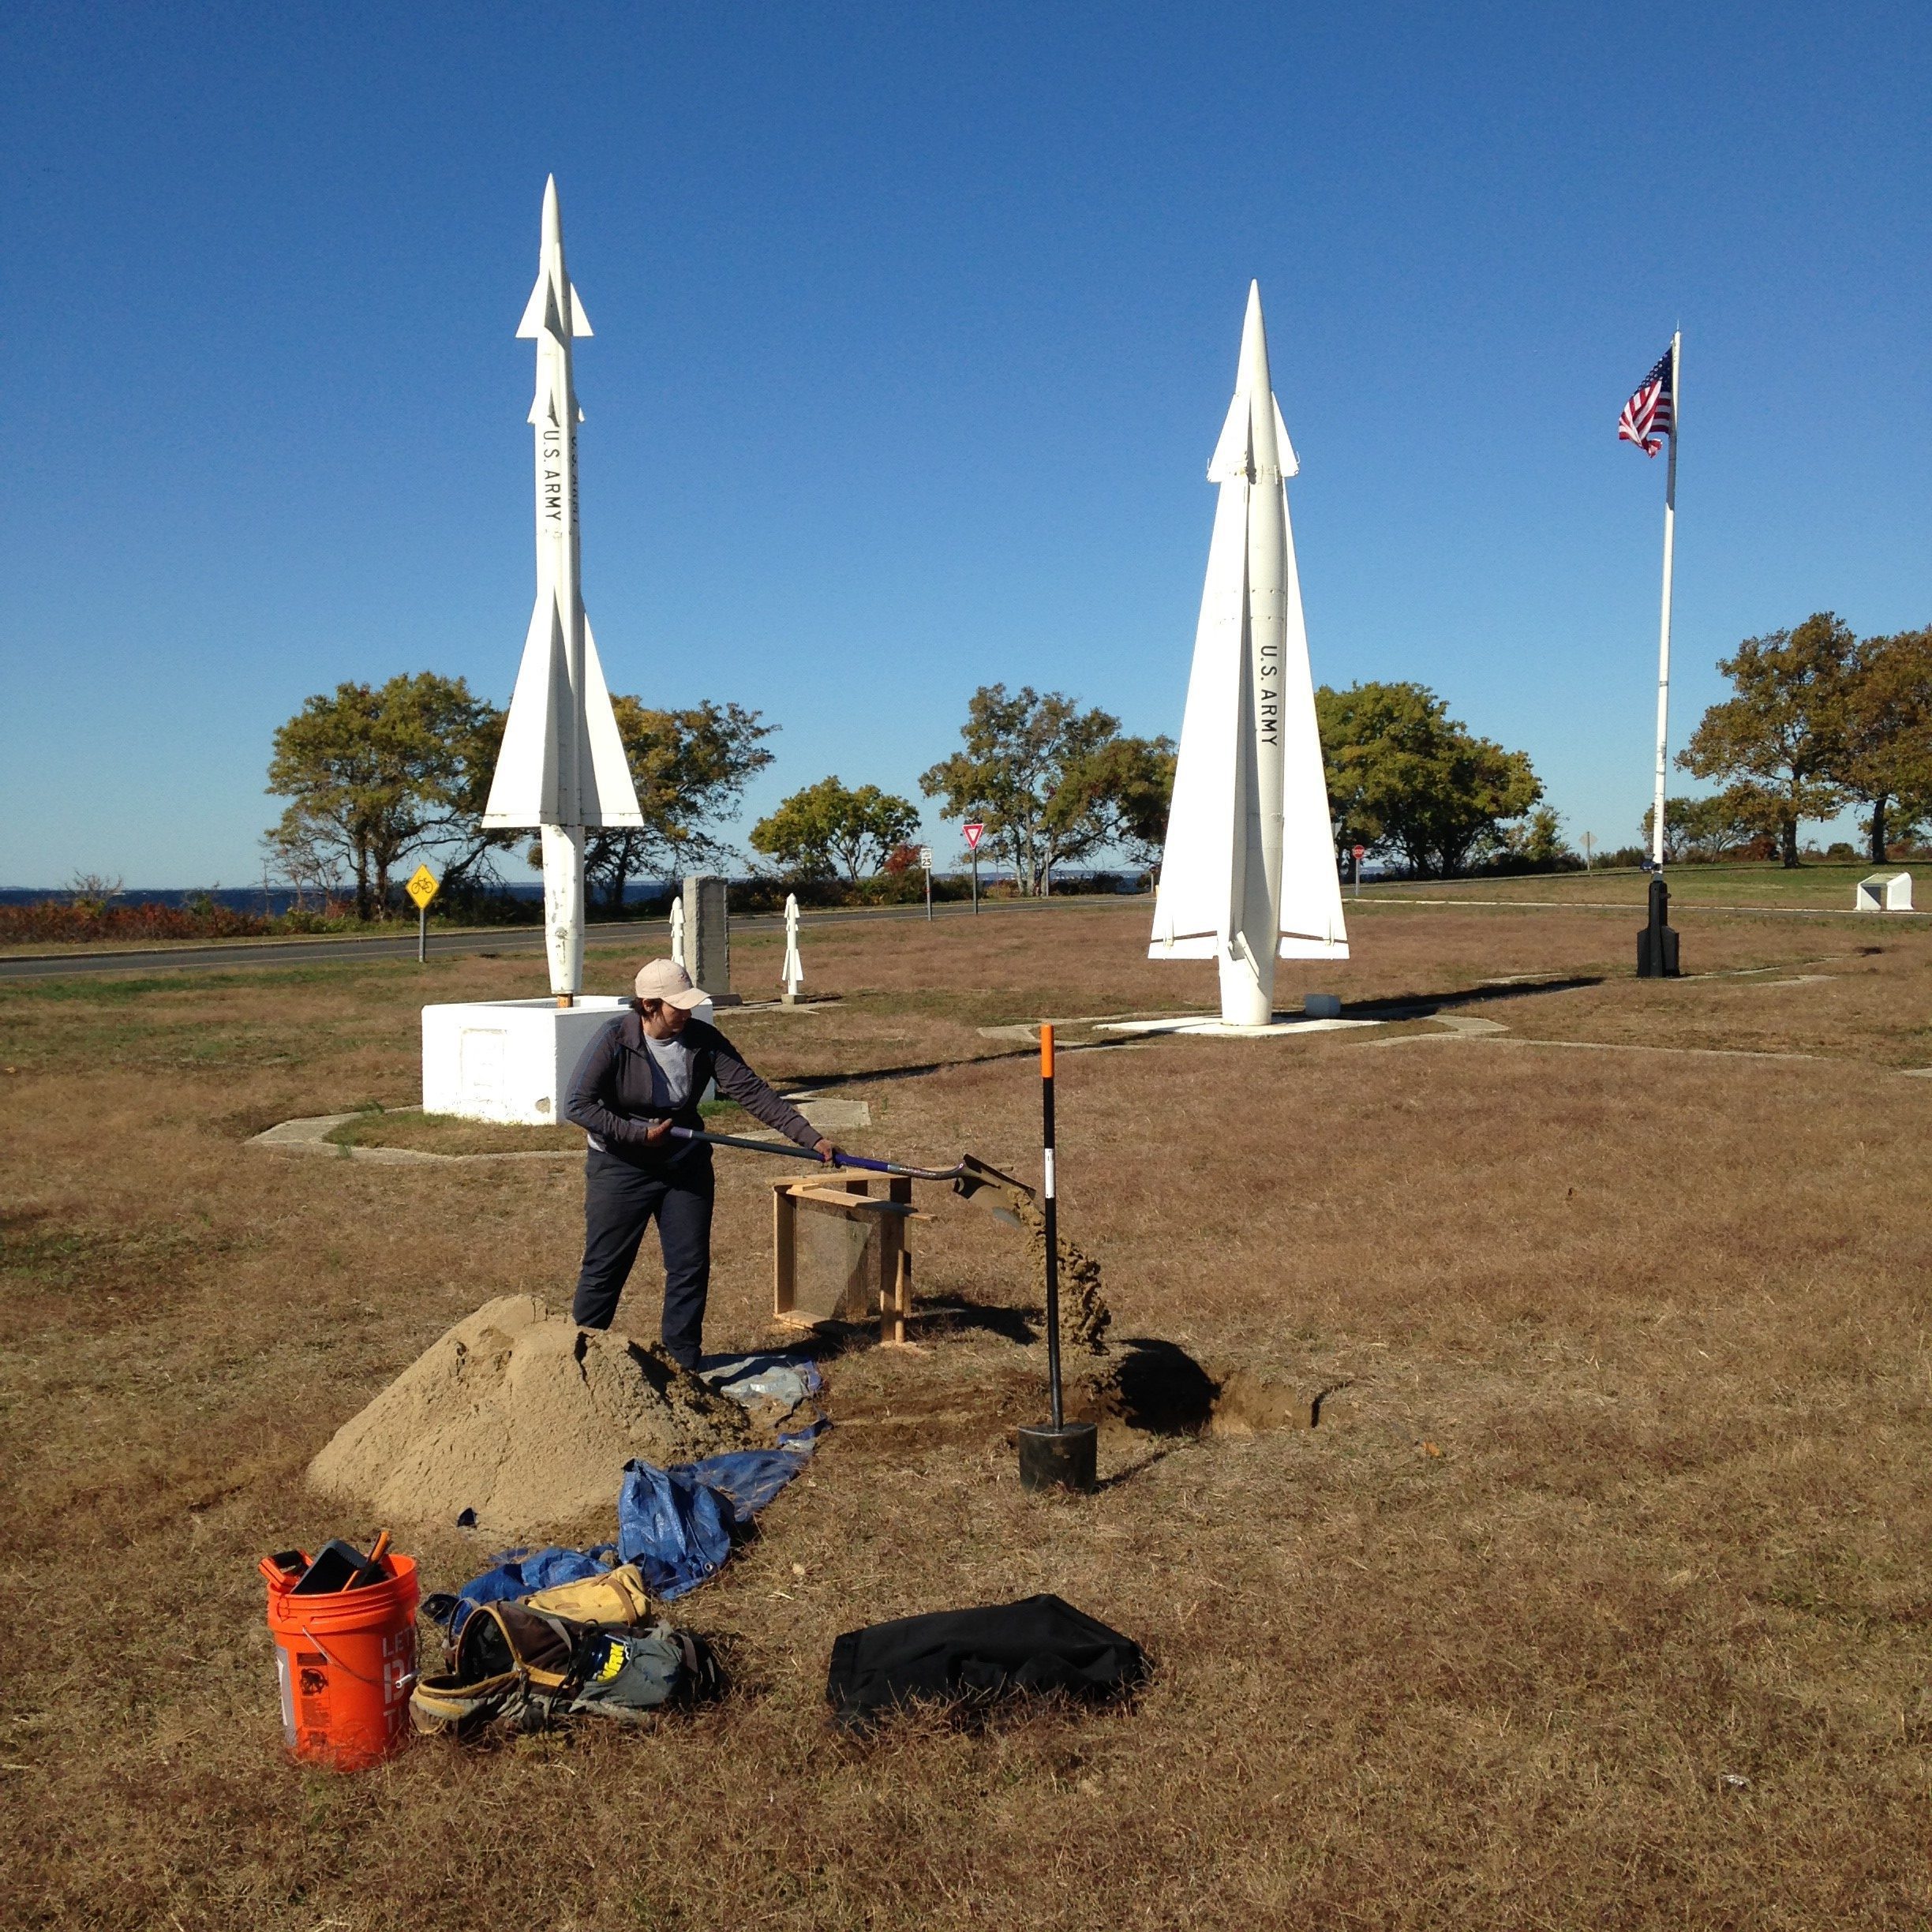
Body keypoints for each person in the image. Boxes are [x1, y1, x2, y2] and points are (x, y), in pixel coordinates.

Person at [564, 959, 834, 1367]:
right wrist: (637, 1134)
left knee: (689, 1266)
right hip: (620, 1168)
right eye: (678, 1006)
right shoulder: (614, 1039)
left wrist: (810, 1137)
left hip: (683, 1166)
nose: (687, 1013)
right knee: (606, 1267)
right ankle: (579, 1359)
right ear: (649, 1005)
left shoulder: (703, 1038)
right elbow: (577, 1105)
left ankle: (683, 1362)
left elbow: (753, 1092)